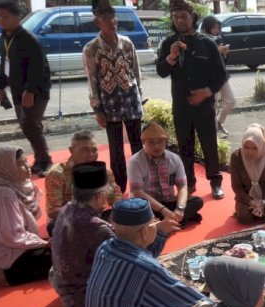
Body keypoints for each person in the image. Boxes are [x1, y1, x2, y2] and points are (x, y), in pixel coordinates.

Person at [85, 198, 207, 307]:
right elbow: (198, 306)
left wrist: (161, 232)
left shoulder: (105, 247)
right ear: (146, 231)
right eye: (154, 223)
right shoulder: (146, 269)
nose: (157, 225)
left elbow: (140, 253)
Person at [157, 0, 228, 199]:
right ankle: (189, 182)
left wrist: (206, 92)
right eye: (176, 17)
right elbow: (161, 71)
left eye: (184, 16)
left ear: (193, 18)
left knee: (209, 145)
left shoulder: (207, 43)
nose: (180, 20)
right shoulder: (167, 44)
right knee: (184, 146)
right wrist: (171, 56)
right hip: (181, 106)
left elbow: (221, 75)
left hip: (204, 105)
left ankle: (215, 182)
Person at [83, 0, 144, 193]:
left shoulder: (127, 43)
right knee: (116, 148)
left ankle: (140, 184)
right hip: (110, 102)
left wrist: (140, 95)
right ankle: (119, 187)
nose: (112, 21)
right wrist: (97, 109)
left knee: (137, 143)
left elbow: (136, 70)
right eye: (106, 18)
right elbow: (91, 80)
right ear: (97, 22)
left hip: (131, 98)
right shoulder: (91, 49)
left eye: (113, 17)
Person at [0, 146, 51, 293]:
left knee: (64, 246)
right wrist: (43, 243)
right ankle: (3, 275)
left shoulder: (20, 185)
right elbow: (12, 236)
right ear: (8, 167)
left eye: (27, 161)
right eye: (21, 163)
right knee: (61, 258)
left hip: (15, 245)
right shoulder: (4, 195)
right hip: (4, 253)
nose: (28, 166)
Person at [0, 0, 52, 177]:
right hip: (18, 89)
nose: (0, 20)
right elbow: (5, 63)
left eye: (5, 16)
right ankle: (40, 158)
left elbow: (38, 67)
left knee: (30, 124)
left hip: (36, 90)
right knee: (26, 126)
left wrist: (30, 90)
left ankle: (45, 161)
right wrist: (1, 86)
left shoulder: (29, 39)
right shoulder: (4, 37)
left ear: (17, 18)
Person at [50, 161, 115, 307]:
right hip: (84, 300)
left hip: (61, 282)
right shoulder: (98, 228)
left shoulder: (66, 209)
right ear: (100, 196)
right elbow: (125, 260)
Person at [45, 130, 122, 235]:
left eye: (94, 150)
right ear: (71, 150)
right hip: (70, 219)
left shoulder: (104, 171)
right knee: (53, 226)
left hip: (97, 218)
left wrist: (111, 221)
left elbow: (116, 196)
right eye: (84, 150)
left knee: (128, 215)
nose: (91, 155)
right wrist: (90, 221)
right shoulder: (57, 174)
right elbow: (53, 211)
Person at [128, 122, 204, 226]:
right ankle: (176, 221)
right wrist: (164, 210)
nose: (157, 146)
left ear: (165, 141)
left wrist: (180, 208)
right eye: (151, 142)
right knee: (133, 211)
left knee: (197, 201)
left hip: (169, 202)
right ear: (143, 142)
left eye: (160, 142)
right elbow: (137, 192)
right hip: (147, 205)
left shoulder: (174, 159)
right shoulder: (135, 161)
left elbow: (182, 187)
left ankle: (162, 222)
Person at [229, 123, 265, 224]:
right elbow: (236, 186)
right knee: (244, 218)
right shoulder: (236, 157)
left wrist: (263, 202)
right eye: (246, 147)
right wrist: (250, 201)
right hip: (246, 199)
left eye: (254, 148)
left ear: (261, 145)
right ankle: (253, 210)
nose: (249, 152)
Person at [200, 15, 235, 137]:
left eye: (217, 27)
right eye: (213, 27)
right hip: (209, 78)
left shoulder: (219, 38)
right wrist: (217, 51)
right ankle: (214, 131)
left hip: (222, 75)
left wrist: (224, 54)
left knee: (231, 101)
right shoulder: (201, 39)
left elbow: (223, 62)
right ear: (207, 27)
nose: (216, 30)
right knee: (213, 104)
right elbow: (203, 61)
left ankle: (219, 121)